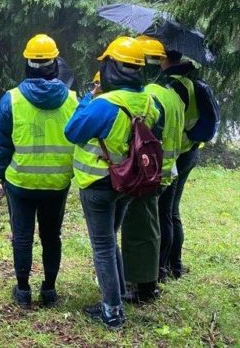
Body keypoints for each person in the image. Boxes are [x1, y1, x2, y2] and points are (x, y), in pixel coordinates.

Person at [65, 36, 161, 329]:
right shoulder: (148, 101)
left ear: (112, 68)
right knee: (111, 240)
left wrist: (87, 97)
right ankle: (117, 294)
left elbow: (73, 131)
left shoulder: (104, 105)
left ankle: (112, 311)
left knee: (103, 246)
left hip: (97, 183)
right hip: (129, 183)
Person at [0, 34, 78, 309]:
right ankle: (50, 290)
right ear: (55, 64)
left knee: (22, 237)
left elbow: (3, 146)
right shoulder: (73, 101)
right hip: (57, 183)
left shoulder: (11, 100)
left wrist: (2, 174)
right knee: (51, 236)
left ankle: (22, 291)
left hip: (20, 182)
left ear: (28, 64)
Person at [120, 37, 184, 303]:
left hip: (149, 174)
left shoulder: (151, 96)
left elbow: (143, 138)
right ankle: (155, 275)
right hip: (167, 169)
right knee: (159, 222)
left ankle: (142, 286)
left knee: (139, 228)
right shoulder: (174, 95)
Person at [159, 50, 202, 280]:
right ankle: (175, 265)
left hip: (178, 152)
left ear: (165, 59)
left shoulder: (175, 87)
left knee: (164, 211)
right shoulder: (192, 82)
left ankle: (164, 267)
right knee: (172, 210)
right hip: (191, 151)